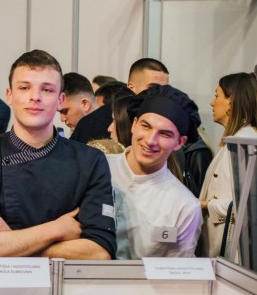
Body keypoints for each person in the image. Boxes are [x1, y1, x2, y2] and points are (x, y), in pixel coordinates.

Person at [0, 50, 116, 260]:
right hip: (1, 281)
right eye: (24, 88)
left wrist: (10, 239)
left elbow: (99, 252)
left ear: (60, 100)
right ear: (9, 95)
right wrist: (56, 230)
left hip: (68, 281)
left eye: (47, 90)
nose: (35, 97)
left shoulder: (90, 161)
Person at [107, 85, 202, 259]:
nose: (151, 140)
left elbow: (174, 270)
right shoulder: (97, 168)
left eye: (164, 134)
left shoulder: (184, 207)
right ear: (134, 124)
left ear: (180, 142)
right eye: (146, 126)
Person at [199, 73, 257, 258]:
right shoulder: (236, 140)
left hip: (236, 252)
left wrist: (208, 205)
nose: (212, 102)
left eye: (217, 95)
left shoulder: (246, 144)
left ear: (231, 101)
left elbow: (249, 204)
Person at [71, 58, 170, 144]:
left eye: (165, 89)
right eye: (153, 88)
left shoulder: (165, 120)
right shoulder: (94, 122)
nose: (160, 94)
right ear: (131, 87)